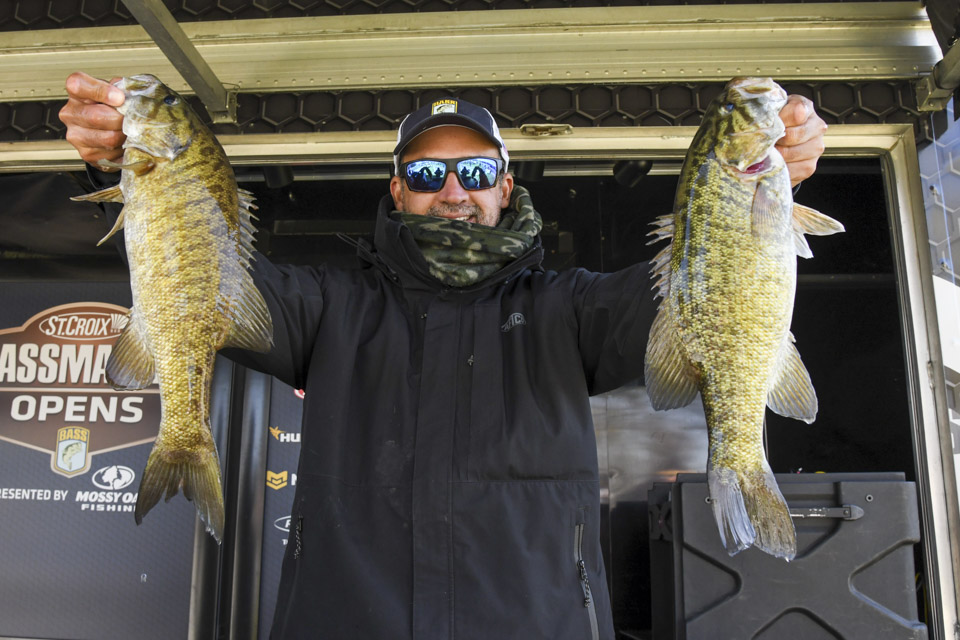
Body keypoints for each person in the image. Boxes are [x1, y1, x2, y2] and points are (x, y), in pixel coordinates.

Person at [60, 72, 826, 640]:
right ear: (398, 190)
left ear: (505, 184)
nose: (452, 189)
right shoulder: (329, 306)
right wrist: (128, 169)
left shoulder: (572, 307)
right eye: (427, 174)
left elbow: (702, 289)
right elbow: (200, 272)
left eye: (475, 171)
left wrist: (759, 191)